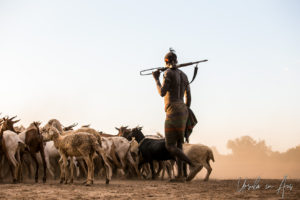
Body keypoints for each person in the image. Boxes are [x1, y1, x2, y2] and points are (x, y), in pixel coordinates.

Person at [152, 49, 200, 181]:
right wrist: (185, 110)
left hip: (172, 110)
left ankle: (193, 165)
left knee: (170, 146)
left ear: (165, 62)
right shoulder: (184, 75)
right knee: (179, 145)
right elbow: (188, 97)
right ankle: (180, 175)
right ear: (176, 61)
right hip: (183, 110)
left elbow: (162, 92)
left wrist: (156, 79)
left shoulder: (167, 73)